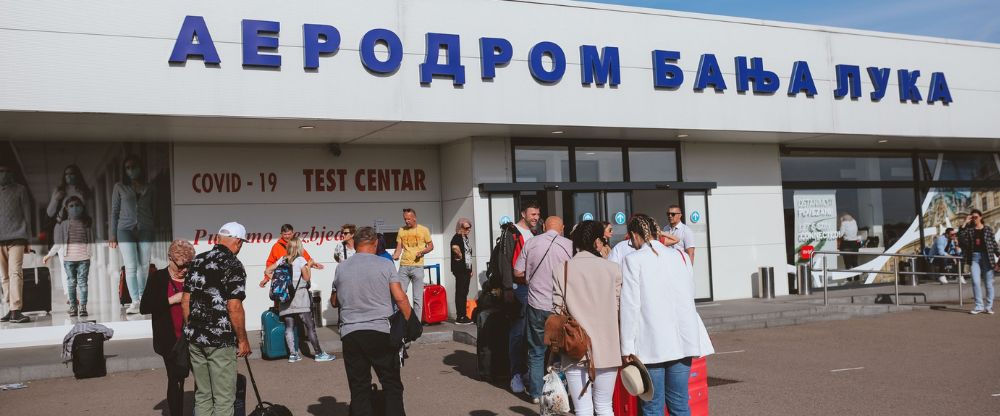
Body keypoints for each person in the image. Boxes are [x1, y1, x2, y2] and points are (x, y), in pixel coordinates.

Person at [619, 214, 714, 416]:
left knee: (652, 406)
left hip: (652, 342)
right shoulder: (680, 256)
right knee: (679, 404)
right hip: (683, 339)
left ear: (636, 235)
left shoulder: (633, 260)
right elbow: (690, 293)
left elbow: (630, 306)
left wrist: (626, 345)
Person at [331, 227, 412, 416]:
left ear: (356, 244)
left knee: (359, 388)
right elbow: (400, 298)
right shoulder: (385, 264)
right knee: (391, 384)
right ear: (375, 243)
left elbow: (334, 301)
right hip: (380, 331)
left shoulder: (341, 267)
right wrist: (410, 322)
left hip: (351, 333)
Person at [552, 220, 621, 415]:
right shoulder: (613, 269)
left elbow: (557, 310)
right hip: (607, 346)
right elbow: (618, 308)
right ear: (597, 242)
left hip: (575, 346)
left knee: (582, 408)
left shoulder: (561, 269)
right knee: (605, 406)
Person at [183, 222, 252, 416]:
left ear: (218, 239)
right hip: (220, 341)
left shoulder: (197, 261)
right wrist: (243, 340)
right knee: (223, 399)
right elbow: (234, 307)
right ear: (238, 242)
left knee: (203, 395)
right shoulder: (233, 264)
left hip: (196, 338)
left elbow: (185, 301)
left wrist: (192, 328)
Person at [514, 216, 572, 402]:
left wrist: (532, 278)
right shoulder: (569, 245)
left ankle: (537, 393)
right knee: (563, 350)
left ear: (544, 226)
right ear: (562, 228)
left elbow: (517, 271)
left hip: (536, 304)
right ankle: (560, 393)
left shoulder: (531, 243)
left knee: (536, 351)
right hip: (560, 306)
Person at [140, 240, 195, 416]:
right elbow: (145, 307)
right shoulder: (158, 278)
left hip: (194, 337)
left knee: (203, 379)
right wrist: (173, 299)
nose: (184, 269)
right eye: (180, 265)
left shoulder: (194, 276)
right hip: (170, 340)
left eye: (188, 265)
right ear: (169, 258)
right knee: (176, 379)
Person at [262, 237, 335, 363]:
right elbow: (306, 278)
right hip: (300, 297)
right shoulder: (300, 259)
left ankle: (293, 355)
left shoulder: (282, 259)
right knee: (310, 326)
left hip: (285, 298)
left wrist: (275, 279)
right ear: (299, 247)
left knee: (289, 326)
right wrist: (310, 266)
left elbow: (268, 270)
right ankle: (318, 353)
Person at [109, 155, 157, 315]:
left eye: (133, 166)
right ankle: (135, 301)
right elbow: (114, 211)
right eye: (127, 167)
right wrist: (112, 235)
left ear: (140, 168)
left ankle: (144, 299)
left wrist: (155, 228)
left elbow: (155, 209)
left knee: (144, 265)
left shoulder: (149, 187)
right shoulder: (120, 187)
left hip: (146, 228)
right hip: (125, 230)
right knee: (131, 266)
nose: (131, 170)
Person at [507, 201, 541, 395]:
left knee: (531, 332)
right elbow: (506, 262)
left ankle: (527, 371)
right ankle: (516, 374)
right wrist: (506, 288)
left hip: (532, 287)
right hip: (518, 287)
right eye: (532, 214)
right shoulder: (512, 233)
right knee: (519, 332)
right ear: (523, 214)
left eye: (537, 214)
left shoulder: (534, 234)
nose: (535, 218)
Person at [43, 196, 94, 317]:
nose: (74, 208)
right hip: (68, 260)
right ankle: (73, 306)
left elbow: (91, 241)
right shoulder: (63, 225)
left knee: (82, 283)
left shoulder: (86, 224)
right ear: (66, 209)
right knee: (71, 283)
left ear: (82, 207)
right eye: (71, 206)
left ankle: (83, 307)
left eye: (77, 205)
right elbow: (59, 243)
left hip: (83, 259)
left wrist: (91, 254)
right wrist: (49, 255)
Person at [0, 162, 32, 324]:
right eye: (1, 171)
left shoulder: (20, 190)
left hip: (17, 237)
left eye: (7, 170)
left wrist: (29, 238)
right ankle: (10, 308)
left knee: (15, 272)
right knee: (4, 276)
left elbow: (27, 214)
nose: (4, 174)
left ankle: (16, 309)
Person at [392, 208, 433, 320]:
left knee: (417, 298)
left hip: (417, 266)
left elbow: (430, 246)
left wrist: (423, 252)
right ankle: (399, 322)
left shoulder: (424, 230)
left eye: (409, 219)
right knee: (399, 295)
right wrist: (395, 255)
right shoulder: (402, 230)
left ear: (414, 218)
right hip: (404, 266)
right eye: (405, 219)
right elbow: (399, 247)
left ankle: (417, 324)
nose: (407, 221)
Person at [959, 209, 999, 315]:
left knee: (988, 283)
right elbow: (961, 239)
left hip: (987, 257)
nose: (974, 219)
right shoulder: (970, 230)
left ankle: (989, 307)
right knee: (975, 282)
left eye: (976, 217)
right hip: (974, 258)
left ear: (981, 217)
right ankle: (979, 306)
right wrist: (965, 223)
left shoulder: (988, 229)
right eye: (972, 217)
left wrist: (999, 254)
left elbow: (994, 244)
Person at [259, 224, 323, 289]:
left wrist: (314, 264)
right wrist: (266, 278)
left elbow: (306, 259)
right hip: (282, 283)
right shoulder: (276, 247)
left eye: (289, 234)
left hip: (296, 283)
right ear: (281, 234)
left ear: (293, 233)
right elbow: (270, 263)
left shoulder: (296, 245)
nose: (287, 236)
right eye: (285, 234)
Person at [450, 218, 474, 325]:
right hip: (460, 269)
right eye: (466, 227)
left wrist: (470, 269)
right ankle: (460, 316)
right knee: (461, 292)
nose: (469, 229)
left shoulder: (465, 238)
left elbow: (468, 254)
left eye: (470, 227)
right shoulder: (457, 237)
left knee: (464, 292)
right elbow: (455, 247)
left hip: (466, 269)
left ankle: (463, 315)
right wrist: (459, 255)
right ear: (460, 228)